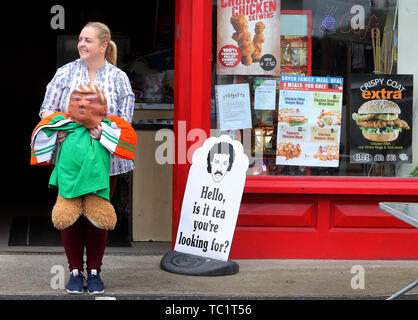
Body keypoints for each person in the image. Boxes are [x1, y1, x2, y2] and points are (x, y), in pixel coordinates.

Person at [39, 21, 135, 295]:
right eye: (80, 39)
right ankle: (73, 271)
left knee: (96, 215)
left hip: (108, 162)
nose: (81, 44)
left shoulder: (118, 78)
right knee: (70, 214)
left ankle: (94, 271)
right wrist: (56, 128)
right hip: (70, 159)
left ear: (104, 45)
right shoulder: (65, 73)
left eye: (88, 40)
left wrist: (101, 130)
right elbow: (47, 109)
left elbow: (125, 120)